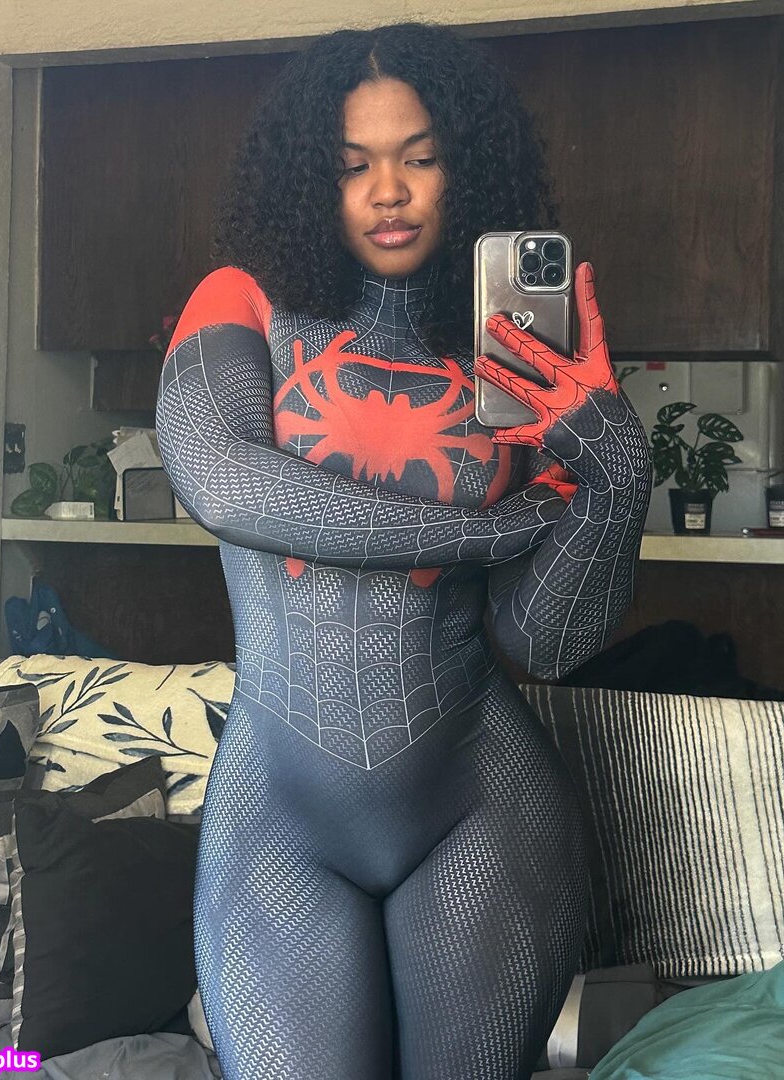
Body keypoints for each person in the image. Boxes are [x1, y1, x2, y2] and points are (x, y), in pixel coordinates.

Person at [155, 22, 651, 1080]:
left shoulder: (516, 351)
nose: (388, 191)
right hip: (279, 816)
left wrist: (615, 475)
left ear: (466, 167)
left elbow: (545, 642)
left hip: (482, 806)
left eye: (420, 158)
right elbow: (223, 482)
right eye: (353, 165)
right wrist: (494, 527)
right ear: (310, 179)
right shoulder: (241, 300)